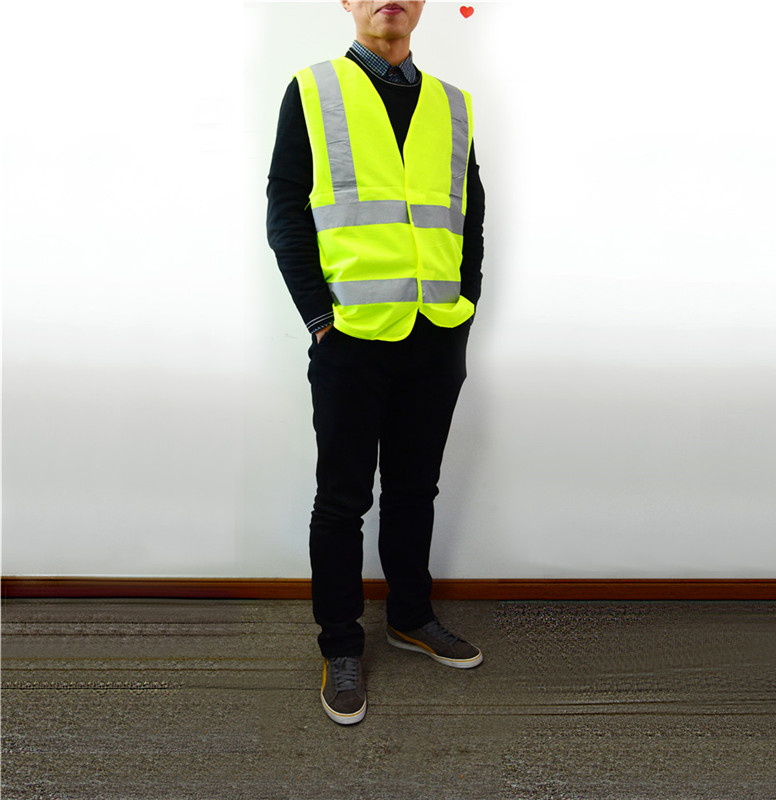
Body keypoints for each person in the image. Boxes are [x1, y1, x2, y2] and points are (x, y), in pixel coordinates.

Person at [266, 0, 485, 725]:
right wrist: (319, 319)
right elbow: (285, 208)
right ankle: (340, 643)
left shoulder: (454, 105)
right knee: (342, 500)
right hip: (351, 335)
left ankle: (411, 616)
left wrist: (466, 303)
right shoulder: (314, 88)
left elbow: (471, 211)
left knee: (416, 490)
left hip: (436, 333)